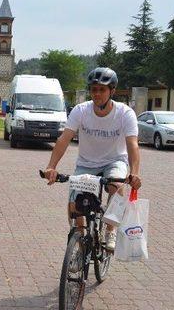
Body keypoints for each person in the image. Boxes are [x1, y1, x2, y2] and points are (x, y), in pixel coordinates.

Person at [43, 67, 142, 251]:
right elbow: (64, 139)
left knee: (116, 187)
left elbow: (132, 145)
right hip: (86, 163)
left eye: (102, 90)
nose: (97, 94)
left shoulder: (124, 113)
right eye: (94, 89)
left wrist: (134, 173)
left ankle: (110, 230)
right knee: (74, 205)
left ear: (112, 91)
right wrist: (51, 167)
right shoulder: (81, 111)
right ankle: (79, 244)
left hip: (114, 161)